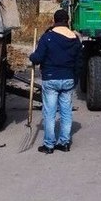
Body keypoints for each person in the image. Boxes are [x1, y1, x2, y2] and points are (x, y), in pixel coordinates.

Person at [29, 9, 83, 154]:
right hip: (68, 79)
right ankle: (64, 143)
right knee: (66, 112)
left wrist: (32, 56)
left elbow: (38, 58)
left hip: (51, 78)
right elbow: (79, 62)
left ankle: (49, 145)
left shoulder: (47, 37)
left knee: (50, 112)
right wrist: (75, 79)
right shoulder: (75, 39)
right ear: (67, 21)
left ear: (54, 20)